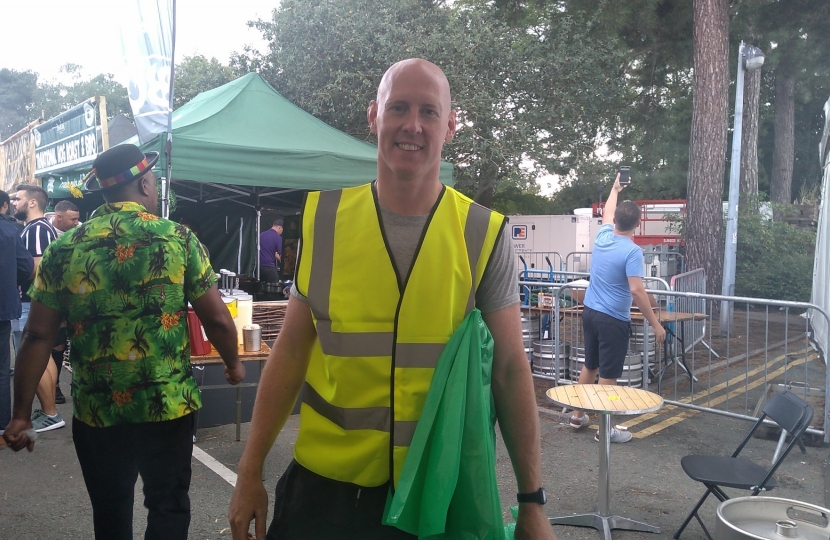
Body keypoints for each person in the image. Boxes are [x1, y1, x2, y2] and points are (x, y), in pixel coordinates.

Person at [228, 59, 556, 540]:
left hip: (434, 490)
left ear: (451, 125)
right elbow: (292, 351)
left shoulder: (483, 233)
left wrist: (532, 502)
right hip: (325, 489)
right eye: (397, 107)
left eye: (428, 111)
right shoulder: (325, 219)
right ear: (373, 117)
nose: (412, 125)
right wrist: (249, 468)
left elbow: (510, 369)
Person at [3, 144, 246, 540]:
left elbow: (38, 335)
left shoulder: (64, 249)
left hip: (99, 411)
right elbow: (217, 318)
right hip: (166, 405)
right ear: (146, 183)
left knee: (111, 510)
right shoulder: (177, 239)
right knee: (168, 504)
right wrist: (234, 364)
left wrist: (20, 415)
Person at [569, 174, 666, 443]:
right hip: (613, 318)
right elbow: (636, 290)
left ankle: (577, 415)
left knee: (590, 365)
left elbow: (608, 212)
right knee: (609, 375)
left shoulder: (603, 235)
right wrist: (655, 323)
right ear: (637, 223)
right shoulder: (632, 251)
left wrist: (614, 188)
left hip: (590, 311)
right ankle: (605, 429)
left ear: (616, 222)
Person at [11, 184, 65, 430]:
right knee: (43, 356)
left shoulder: (36, 230)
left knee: (34, 353)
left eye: (18, 198)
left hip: (31, 303)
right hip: (35, 302)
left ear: (32, 202)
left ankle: (50, 412)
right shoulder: (41, 228)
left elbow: (36, 269)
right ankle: (49, 410)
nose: (14, 203)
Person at [0, 190, 34, 435]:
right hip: (1, 306)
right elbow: (27, 267)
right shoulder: (11, 232)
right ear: (3, 206)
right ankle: (1, 428)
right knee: (1, 370)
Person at [259, 219, 283, 283]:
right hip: (269, 267)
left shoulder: (261, 235)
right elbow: (281, 255)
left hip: (258, 267)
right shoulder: (277, 238)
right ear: (279, 228)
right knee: (274, 286)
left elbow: (273, 252)